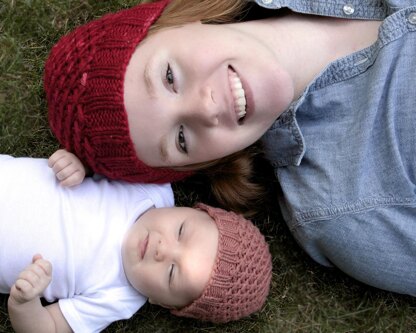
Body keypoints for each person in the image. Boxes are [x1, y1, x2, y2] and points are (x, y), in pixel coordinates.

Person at [44, 0, 416, 299]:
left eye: (169, 76)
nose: (205, 109)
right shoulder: (346, 209)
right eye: (182, 140)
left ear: (177, 19)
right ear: (208, 162)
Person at [0, 153, 272, 333]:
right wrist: (81, 162)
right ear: (192, 209)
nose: (162, 249)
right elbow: (103, 149)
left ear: (162, 302)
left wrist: (25, 303)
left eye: (172, 272)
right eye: (180, 231)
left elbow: (50, 328)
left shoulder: (118, 298)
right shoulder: (151, 187)